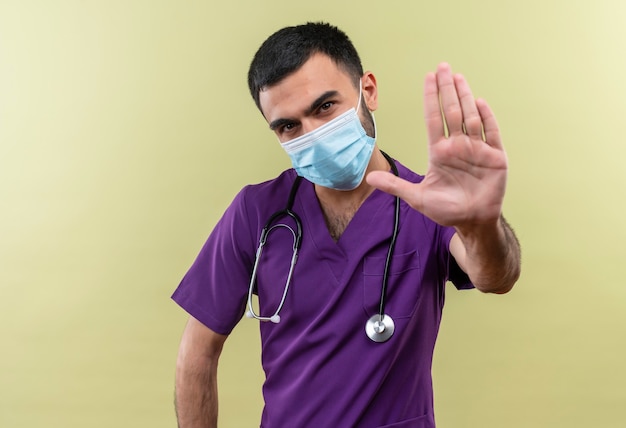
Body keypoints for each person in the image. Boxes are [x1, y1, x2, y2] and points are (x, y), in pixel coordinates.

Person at [172, 22, 521, 428]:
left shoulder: (431, 203)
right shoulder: (257, 212)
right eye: (288, 126)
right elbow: (196, 354)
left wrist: (480, 224)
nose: (313, 135)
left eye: (324, 107)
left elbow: (496, 276)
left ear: (367, 90)